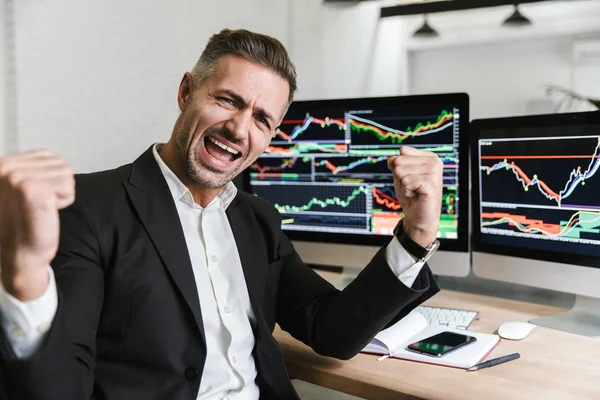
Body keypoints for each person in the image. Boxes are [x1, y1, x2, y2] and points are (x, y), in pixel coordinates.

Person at [0, 29, 442, 400]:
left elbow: (333, 331)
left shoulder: (257, 220)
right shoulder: (90, 206)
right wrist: (23, 274)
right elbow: (60, 388)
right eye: (229, 100)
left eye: (261, 119)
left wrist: (417, 232)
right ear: (186, 91)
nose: (238, 128)